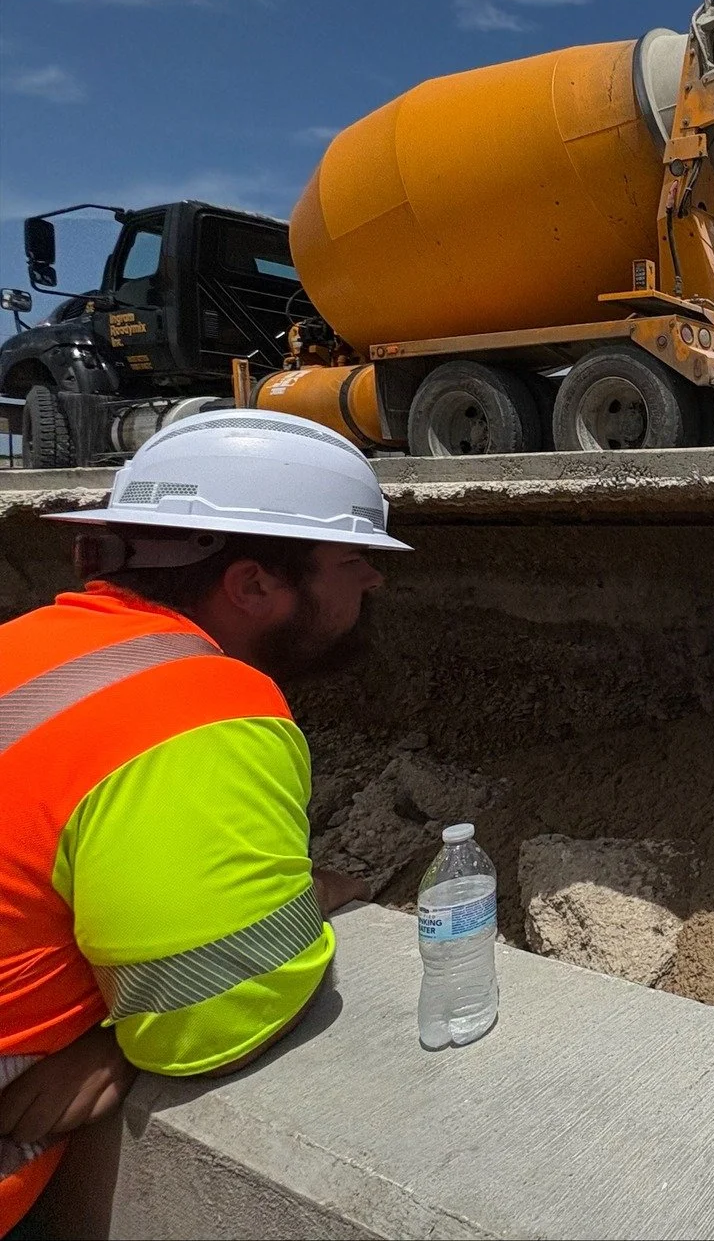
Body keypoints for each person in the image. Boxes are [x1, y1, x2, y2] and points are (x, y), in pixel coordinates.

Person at [0, 410, 408, 1236]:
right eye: (355, 558)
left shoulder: (27, 645)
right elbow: (210, 1013)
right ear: (254, 584)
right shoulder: (204, 705)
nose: (375, 581)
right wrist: (118, 1040)